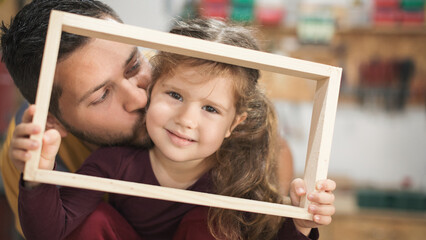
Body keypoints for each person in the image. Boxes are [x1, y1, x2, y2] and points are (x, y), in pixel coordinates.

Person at [18, 18, 335, 240]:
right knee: (93, 220)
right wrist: (37, 174)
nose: (186, 119)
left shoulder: (237, 177)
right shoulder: (112, 162)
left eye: (210, 109)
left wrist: (300, 223)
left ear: (233, 125)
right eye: (174, 95)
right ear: (152, 89)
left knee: (213, 227)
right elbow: (49, 232)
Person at [0, 0, 151, 236]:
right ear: (54, 121)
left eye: (134, 66)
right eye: (102, 96)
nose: (140, 98)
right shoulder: (29, 156)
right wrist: (36, 180)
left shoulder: (180, 77)